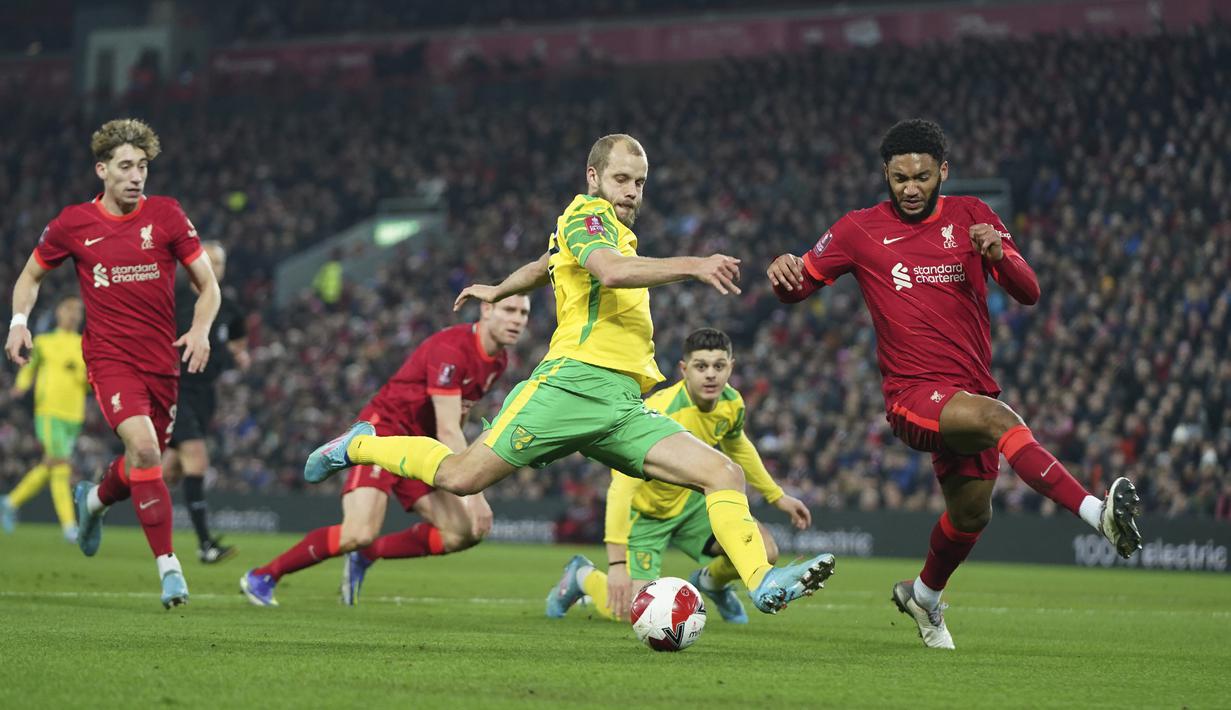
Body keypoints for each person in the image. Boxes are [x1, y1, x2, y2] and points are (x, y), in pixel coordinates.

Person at [304, 134, 835, 614]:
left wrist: (497, 290)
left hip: (623, 404)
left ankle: (764, 581)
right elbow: (609, 271)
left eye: (640, 182)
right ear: (594, 178)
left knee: (724, 474)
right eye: (621, 179)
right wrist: (695, 265)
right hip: (571, 385)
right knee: (459, 477)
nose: (631, 191)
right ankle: (360, 444)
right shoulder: (586, 217)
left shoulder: (600, 230)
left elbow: (543, 265)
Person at [766, 118, 1143, 648]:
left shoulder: (973, 216)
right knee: (999, 421)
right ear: (886, 175)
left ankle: (922, 595)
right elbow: (798, 284)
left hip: (969, 391)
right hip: (912, 395)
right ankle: (1097, 515)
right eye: (900, 178)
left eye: (922, 176)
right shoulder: (859, 229)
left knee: (970, 516)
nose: (911, 188)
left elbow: (1029, 291)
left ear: (943, 170)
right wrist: (782, 272)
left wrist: (999, 255)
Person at [5, 118, 220, 609]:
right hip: (109, 360)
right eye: (125, 166)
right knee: (145, 450)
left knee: (146, 463)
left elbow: (208, 285)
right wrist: (19, 320)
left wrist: (202, 327)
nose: (135, 176)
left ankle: (96, 500)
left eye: (142, 166)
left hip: (161, 365)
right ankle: (170, 569)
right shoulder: (73, 224)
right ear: (102, 170)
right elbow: (30, 276)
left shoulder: (166, 216)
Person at [240, 296, 531, 607]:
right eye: (509, 310)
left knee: (463, 532)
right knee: (358, 532)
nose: (517, 320)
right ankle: (264, 575)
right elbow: (449, 428)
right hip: (385, 432)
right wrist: (475, 494)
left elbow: (454, 420)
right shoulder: (453, 349)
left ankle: (368, 555)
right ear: (487, 310)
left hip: (421, 445)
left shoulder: (497, 361)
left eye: (524, 313)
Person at [545, 328, 812, 624]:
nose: (710, 375)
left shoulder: (732, 403)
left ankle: (712, 582)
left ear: (731, 367)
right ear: (684, 369)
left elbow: (738, 445)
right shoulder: (659, 411)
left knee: (764, 551)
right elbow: (621, 486)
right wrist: (617, 563)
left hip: (692, 505)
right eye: (701, 366)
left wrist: (777, 496)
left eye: (718, 366)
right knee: (631, 611)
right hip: (647, 516)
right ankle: (582, 576)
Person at [163, 241, 249, 563]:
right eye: (208, 261)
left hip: (205, 395)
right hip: (175, 388)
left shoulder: (228, 306)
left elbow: (239, 337)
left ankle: (102, 495)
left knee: (166, 471)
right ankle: (205, 545)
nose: (215, 268)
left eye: (220, 263)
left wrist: (241, 354)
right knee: (196, 460)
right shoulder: (174, 299)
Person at [2, 297, 89, 542]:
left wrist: (80, 371)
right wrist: (20, 386)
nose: (73, 315)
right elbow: (30, 367)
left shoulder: (85, 344)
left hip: (74, 413)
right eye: (69, 310)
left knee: (51, 464)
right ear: (59, 313)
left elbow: (91, 382)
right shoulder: (44, 342)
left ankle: (9, 502)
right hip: (49, 411)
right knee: (61, 466)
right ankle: (70, 527)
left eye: (77, 311)